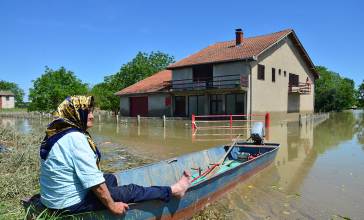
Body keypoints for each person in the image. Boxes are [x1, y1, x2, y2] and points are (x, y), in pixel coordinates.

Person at [39, 96, 191, 215]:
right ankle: (174, 191)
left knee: (110, 178)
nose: (92, 116)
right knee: (131, 190)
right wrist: (112, 205)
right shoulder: (75, 138)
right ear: (75, 114)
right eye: (88, 112)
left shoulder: (59, 133)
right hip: (68, 204)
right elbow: (93, 181)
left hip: (54, 199)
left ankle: (117, 196)